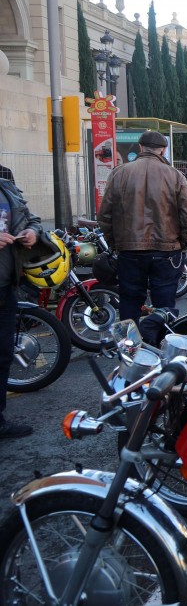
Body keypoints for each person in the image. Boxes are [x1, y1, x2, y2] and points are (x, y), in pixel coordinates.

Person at [98, 130, 187, 323]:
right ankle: (160, 346)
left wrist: (114, 243)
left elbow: (105, 215)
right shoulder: (175, 175)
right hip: (167, 249)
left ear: (140, 147)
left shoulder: (119, 173)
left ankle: (130, 347)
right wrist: (184, 242)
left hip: (130, 249)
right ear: (163, 150)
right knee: (165, 304)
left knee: (130, 301)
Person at [0, 177, 42, 438]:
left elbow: (32, 219)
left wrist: (32, 233)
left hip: (5, 288)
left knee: (3, 356)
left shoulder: (5, 187)